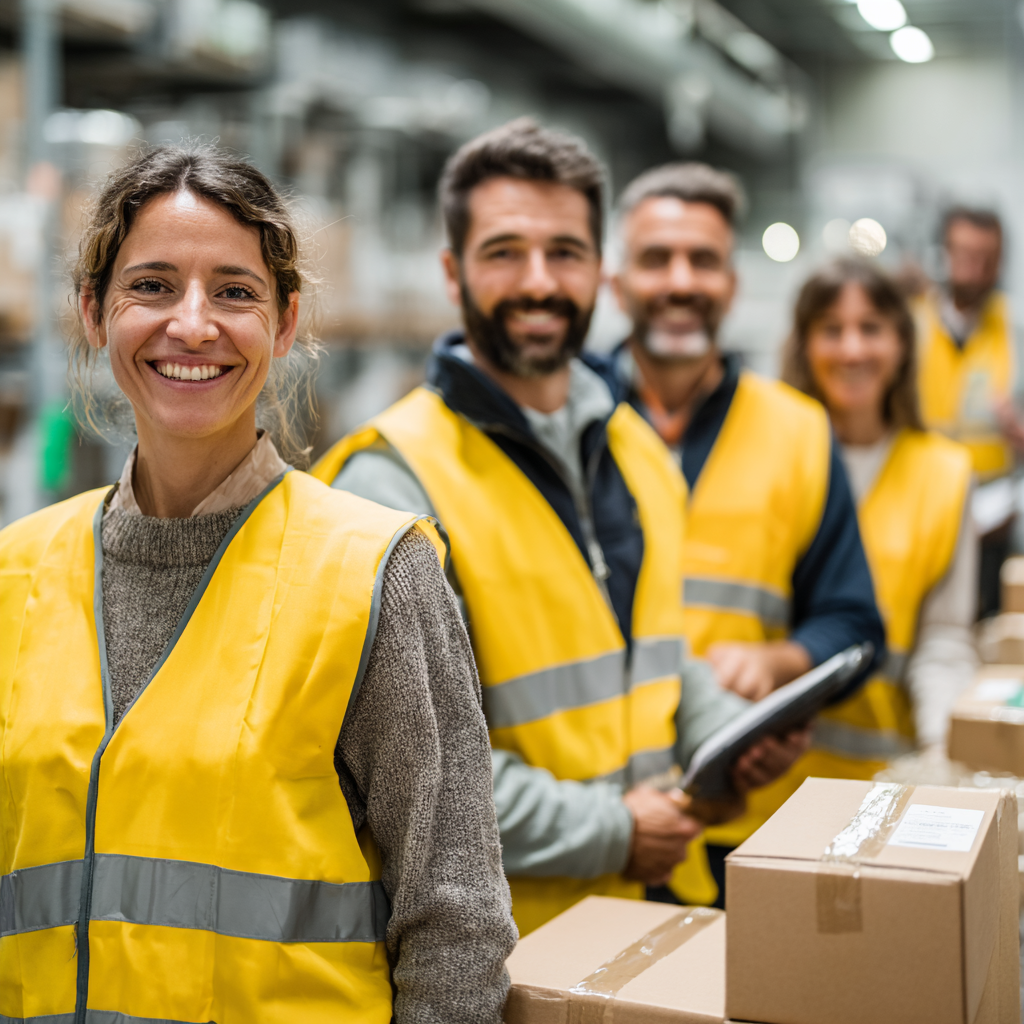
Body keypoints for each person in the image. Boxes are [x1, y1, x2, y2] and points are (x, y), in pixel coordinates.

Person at [0, 145, 515, 1024]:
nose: (192, 324)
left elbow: (456, 924)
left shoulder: (374, 574)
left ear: (284, 324)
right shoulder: (16, 574)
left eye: (234, 292)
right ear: (94, 311)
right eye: (152, 286)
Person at [313, 119, 809, 936]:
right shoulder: (391, 484)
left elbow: (649, 655)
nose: (539, 281)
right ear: (452, 271)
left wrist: (727, 736)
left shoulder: (636, 450)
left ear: (599, 271)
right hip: (507, 952)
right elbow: (418, 770)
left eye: (566, 252)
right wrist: (614, 831)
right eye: (505, 252)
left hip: (647, 918)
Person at [609, 162, 885, 907]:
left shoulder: (797, 430)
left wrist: (785, 658)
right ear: (616, 282)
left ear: (732, 283)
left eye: (703, 260)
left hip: (749, 827)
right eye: (656, 258)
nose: (680, 279)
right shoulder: (565, 426)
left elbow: (855, 623)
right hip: (602, 823)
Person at [782, 258, 976, 775]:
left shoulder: (944, 472)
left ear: (903, 344)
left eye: (871, 328)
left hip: (880, 777)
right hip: (757, 787)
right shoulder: (766, 454)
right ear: (803, 343)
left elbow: (944, 638)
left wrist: (941, 748)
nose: (852, 349)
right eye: (831, 330)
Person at [916, 207, 1021, 616]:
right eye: (963, 253)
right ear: (942, 253)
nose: (973, 269)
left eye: (985, 256)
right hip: (925, 510)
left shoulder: (1015, 326)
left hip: (997, 519)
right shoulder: (910, 323)